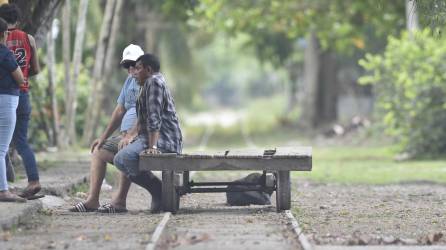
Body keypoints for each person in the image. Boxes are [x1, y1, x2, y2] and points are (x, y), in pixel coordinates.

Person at [69, 44, 144, 213]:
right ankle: (92, 200)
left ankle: (119, 202)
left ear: (142, 64)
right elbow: (119, 110)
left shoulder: (149, 82)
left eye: (134, 65)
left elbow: (148, 113)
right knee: (98, 150)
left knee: (125, 152)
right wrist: (103, 137)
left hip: (140, 137)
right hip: (125, 136)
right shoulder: (129, 81)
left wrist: (131, 134)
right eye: (127, 66)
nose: (131, 69)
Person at [113, 53, 182, 213]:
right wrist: (131, 135)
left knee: (123, 158)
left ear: (148, 69)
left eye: (138, 68)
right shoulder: (151, 82)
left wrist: (153, 146)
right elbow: (144, 117)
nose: (134, 72)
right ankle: (159, 191)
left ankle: (159, 191)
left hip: (165, 140)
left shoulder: (154, 82)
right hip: (152, 137)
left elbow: (153, 116)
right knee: (121, 158)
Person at [0, 4, 41, 199]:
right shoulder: (28, 38)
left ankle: (5, 182)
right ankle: (34, 181)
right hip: (22, 92)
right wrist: (22, 75)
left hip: (3, 94)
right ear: (18, 19)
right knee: (21, 141)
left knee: (2, 141)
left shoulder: (1, 37)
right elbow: (36, 69)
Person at [0, 17, 26, 202]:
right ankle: (3, 191)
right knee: (1, 149)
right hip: (6, 100)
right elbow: (19, 78)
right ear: (4, 34)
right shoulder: (5, 53)